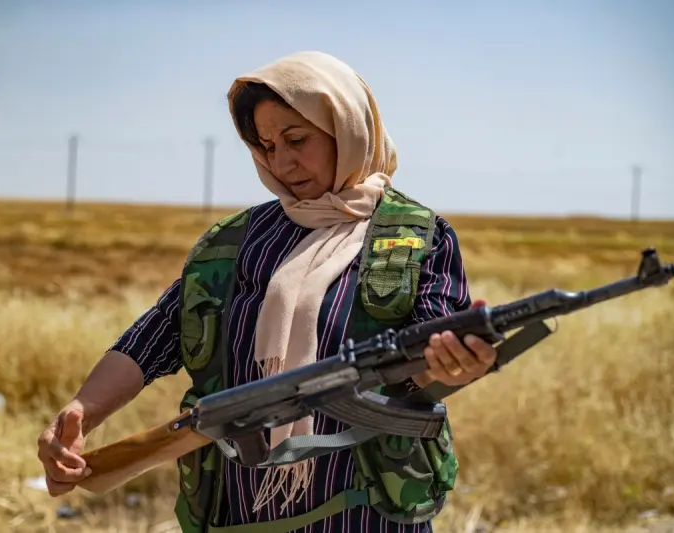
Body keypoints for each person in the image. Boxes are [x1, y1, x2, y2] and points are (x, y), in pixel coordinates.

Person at [37, 51, 498, 533]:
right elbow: (153, 339)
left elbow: (428, 361)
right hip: (239, 514)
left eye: (297, 139)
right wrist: (80, 412)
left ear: (347, 127)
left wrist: (455, 363)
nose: (281, 162)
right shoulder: (233, 242)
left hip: (368, 516)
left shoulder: (416, 238)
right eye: (267, 145)